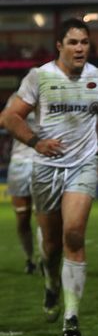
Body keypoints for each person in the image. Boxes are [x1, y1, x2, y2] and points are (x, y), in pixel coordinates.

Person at [3, 18, 98, 336]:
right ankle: (51, 283)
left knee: (74, 233)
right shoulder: (39, 77)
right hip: (45, 168)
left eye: (84, 42)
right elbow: (9, 115)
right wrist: (35, 142)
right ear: (60, 46)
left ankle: (71, 315)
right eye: (73, 42)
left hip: (82, 165)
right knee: (52, 247)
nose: (80, 48)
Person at [0, 94, 39, 274]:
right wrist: (18, 114)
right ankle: (29, 259)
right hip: (19, 163)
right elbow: (3, 121)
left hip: (45, 162)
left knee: (44, 216)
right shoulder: (16, 99)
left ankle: (44, 259)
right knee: (22, 218)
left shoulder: (53, 95)